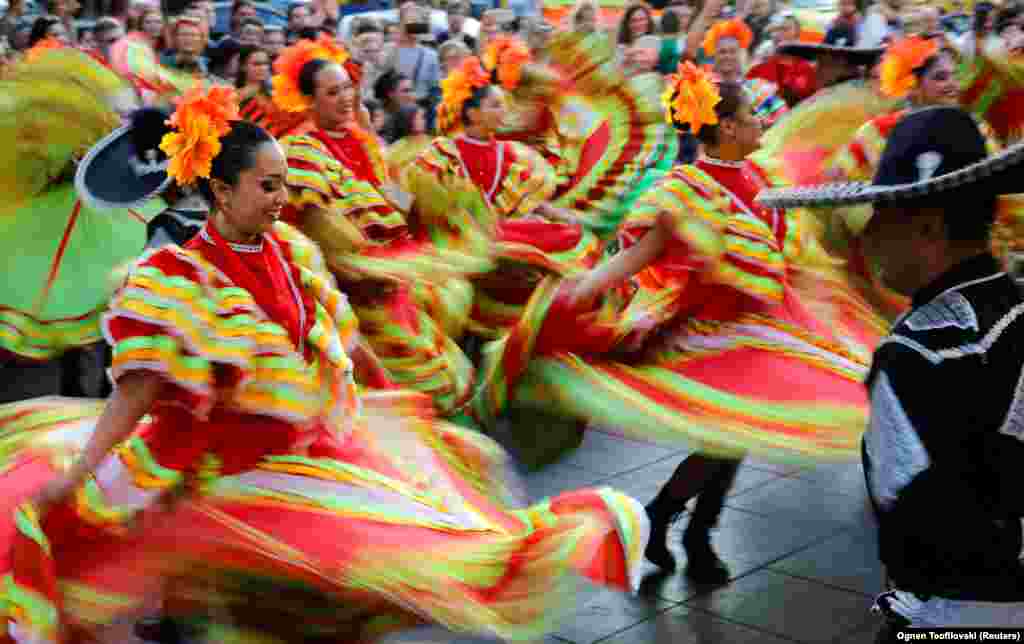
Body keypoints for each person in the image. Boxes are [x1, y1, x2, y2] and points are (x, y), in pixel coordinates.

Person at [0, 84, 648, 644]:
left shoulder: (289, 250)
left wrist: (393, 397)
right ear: (221, 190)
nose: (284, 198)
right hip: (221, 471)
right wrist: (82, 472)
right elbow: (135, 395)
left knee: (374, 577)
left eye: (284, 183)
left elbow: (338, 335)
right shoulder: (171, 278)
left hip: (309, 451)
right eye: (268, 185)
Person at [471, 63, 880, 581]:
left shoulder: (759, 178)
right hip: (717, 334)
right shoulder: (686, 189)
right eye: (753, 114)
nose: (762, 123)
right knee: (728, 438)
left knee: (734, 437)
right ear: (728, 127)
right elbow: (640, 255)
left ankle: (680, 526)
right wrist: (581, 288)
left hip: (768, 327)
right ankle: (678, 525)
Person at [755, 106, 1024, 635]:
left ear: (927, 225)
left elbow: (915, 528)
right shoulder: (1015, 309)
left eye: (883, 216)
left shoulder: (917, 353)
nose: (871, 235)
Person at [274, 36, 481, 418]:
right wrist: (364, 266)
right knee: (409, 379)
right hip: (351, 285)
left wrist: (428, 202)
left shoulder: (363, 142)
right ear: (309, 101)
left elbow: (390, 196)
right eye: (332, 92)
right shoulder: (298, 151)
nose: (344, 99)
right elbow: (318, 227)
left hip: (391, 272)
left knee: (436, 367)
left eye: (347, 89)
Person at [703, 17, 788, 125]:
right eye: (722, 52)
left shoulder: (755, 86)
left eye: (733, 51)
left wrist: (762, 122)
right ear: (714, 55)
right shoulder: (705, 85)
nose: (727, 56)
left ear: (740, 54)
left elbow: (781, 113)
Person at [392, 1, 441, 101]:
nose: (415, 24)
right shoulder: (387, 52)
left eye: (417, 20)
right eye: (410, 19)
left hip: (419, 110)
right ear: (401, 23)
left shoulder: (431, 55)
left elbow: (435, 89)